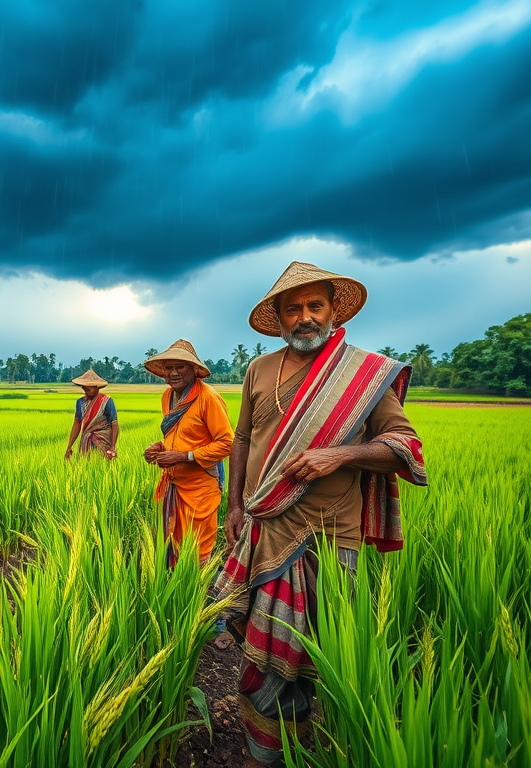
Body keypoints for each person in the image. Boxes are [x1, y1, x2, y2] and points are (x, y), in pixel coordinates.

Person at [214, 261, 428, 767]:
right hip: (263, 523)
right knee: (258, 650)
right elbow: (242, 437)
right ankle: (264, 749)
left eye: (315, 306)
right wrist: (234, 504)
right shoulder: (259, 369)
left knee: (315, 652)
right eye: (294, 309)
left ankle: (310, 744)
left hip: (329, 539)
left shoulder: (362, 376)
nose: (305, 316)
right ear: (280, 318)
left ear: (333, 310)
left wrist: (341, 454)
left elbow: (405, 446)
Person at [143, 340, 234, 567]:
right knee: (171, 545)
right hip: (172, 483)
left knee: (197, 553)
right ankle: (175, 594)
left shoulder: (208, 398)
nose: (173, 373)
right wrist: (158, 449)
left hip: (199, 488)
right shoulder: (167, 396)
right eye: (168, 367)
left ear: (194, 369)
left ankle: (199, 597)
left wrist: (184, 457)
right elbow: (178, 437)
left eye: (180, 367)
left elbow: (226, 443)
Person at [65, 368, 119, 459]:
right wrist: (69, 447)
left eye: (90, 386)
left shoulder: (106, 401)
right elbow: (77, 424)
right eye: (84, 386)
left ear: (97, 387)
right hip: (85, 443)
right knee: (85, 468)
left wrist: (113, 447)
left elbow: (114, 424)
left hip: (103, 443)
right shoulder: (80, 403)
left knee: (104, 467)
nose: (86, 388)